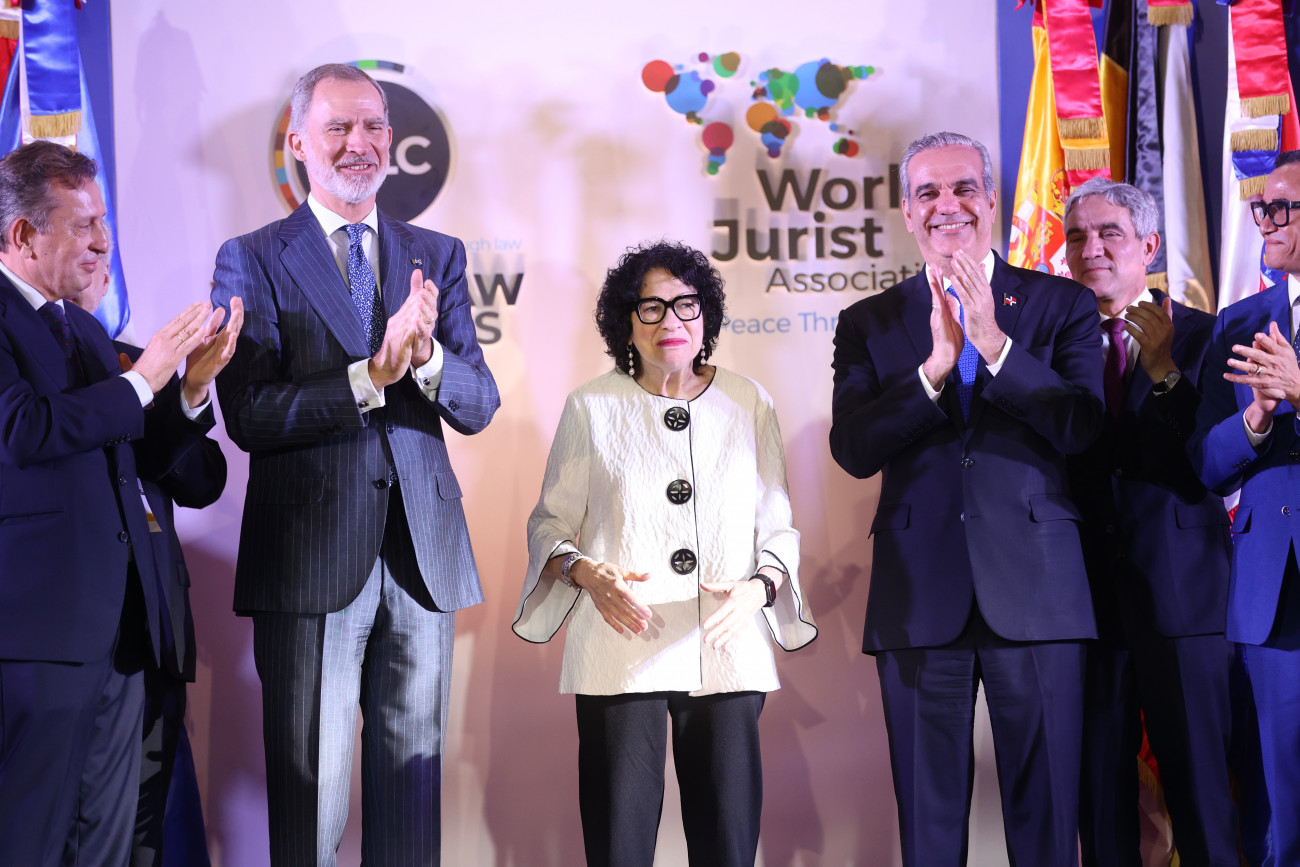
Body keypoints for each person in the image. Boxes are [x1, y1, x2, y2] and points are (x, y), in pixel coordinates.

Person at [210, 62, 499, 866]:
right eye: (338, 126)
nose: (359, 143)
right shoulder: (253, 257)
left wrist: (426, 359)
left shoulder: (436, 254)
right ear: (298, 142)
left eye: (373, 126)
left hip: (421, 558)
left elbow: (478, 401)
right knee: (312, 803)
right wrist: (367, 377)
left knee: (412, 796)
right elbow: (249, 413)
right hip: (308, 562)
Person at [829, 131, 1104, 865]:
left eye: (962, 188)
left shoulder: (1061, 303)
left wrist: (995, 347)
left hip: (1039, 592)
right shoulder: (868, 322)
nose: (946, 204)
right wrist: (933, 371)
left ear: (991, 199)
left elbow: (1081, 428)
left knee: (1048, 822)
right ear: (907, 211)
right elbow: (853, 449)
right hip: (920, 596)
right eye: (928, 192)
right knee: (929, 824)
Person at [513, 240, 817, 867]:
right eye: (650, 308)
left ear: (706, 316)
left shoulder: (748, 401)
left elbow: (778, 526)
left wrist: (760, 587)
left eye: (685, 304)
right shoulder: (591, 406)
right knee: (619, 845)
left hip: (725, 643)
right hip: (621, 645)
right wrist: (584, 571)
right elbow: (550, 523)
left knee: (728, 843)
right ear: (625, 324)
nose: (670, 320)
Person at [0, 140, 236, 866]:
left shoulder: (86, 329)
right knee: (29, 838)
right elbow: (23, 429)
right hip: (38, 639)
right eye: (83, 225)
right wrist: (143, 379)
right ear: (24, 235)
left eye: (103, 221)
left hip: (123, 634)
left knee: (107, 841)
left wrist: (188, 387)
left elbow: (140, 457)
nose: (104, 241)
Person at [1061, 178, 1237, 866]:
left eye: (1110, 233)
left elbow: (1214, 459)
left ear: (1150, 245)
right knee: (1100, 806)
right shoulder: (1052, 342)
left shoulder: (1207, 335)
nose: (1091, 249)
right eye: (1077, 236)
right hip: (1085, 605)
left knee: (1201, 796)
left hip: (1183, 601)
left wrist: (1163, 370)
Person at [72, 253, 233, 867]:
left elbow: (204, 480)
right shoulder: (27, 369)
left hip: (154, 632)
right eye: (80, 236)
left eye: (102, 250)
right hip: (67, 639)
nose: (96, 259)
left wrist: (185, 393)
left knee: (146, 835)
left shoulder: (143, 363)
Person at [1191, 148, 1300, 865]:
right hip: (1273, 592)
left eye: (1282, 207)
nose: (1266, 221)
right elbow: (1207, 462)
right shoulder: (1240, 323)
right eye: (1262, 207)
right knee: (1279, 799)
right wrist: (1257, 416)